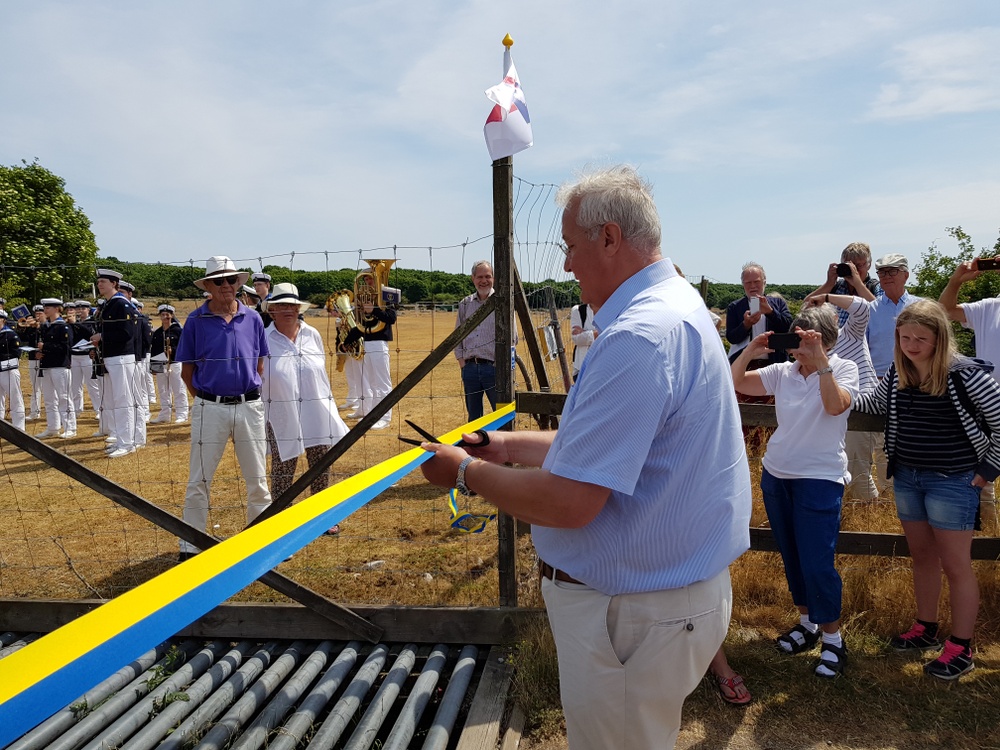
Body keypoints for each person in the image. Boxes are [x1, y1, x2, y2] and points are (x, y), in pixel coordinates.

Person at [420, 165, 752, 750]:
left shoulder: (636, 338)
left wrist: (466, 473)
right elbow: (611, 452)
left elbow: (571, 501)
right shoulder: (678, 305)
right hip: (661, 603)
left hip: (631, 615)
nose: (568, 264)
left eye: (571, 247)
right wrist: (506, 446)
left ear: (608, 238)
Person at [854, 300, 1000, 679]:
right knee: (922, 557)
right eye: (904, 337)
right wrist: (833, 392)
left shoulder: (965, 374)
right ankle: (926, 628)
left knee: (956, 565)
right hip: (907, 477)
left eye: (921, 338)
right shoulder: (898, 372)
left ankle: (961, 647)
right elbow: (871, 403)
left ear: (940, 338)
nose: (911, 345)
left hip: (954, 480)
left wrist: (987, 471)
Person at [732, 304, 859, 678]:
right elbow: (734, 382)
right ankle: (808, 623)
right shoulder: (782, 372)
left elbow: (836, 406)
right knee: (792, 555)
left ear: (824, 340)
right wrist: (749, 353)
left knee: (818, 561)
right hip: (777, 475)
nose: (795, 345)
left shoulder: (843, 369)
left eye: (803, 337)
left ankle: (834, 640)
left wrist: (821, 362)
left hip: (821, 478)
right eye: (794, 336)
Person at [175, 256, 272, 561]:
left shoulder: (253, 318)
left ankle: (261, 541)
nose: (227, 286)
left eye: (231, 280)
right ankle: (190, 546)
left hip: (248, 406)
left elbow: (259, 364)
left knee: (257, 478)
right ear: (208, 286)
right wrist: (205, 400)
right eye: (219, 281)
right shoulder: (195, 321)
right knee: (199, 479)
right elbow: (186, 372)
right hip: (210, 407)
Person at [261, 283, 348, 534]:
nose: (288, 309)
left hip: (316, 409)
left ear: (299, 308)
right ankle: (281, 520)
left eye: (292, 304)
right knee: (283, 467)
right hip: (280, 412)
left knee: (321, 464)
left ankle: (320, 517)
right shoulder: (264, 339)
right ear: (272, 310)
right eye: (282, 305)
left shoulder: (313, 335)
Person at [802, 291, 879, 499]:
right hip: (835, 412)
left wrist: (827, 297)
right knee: (846, 469)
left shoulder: (850, 333)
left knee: (858, 470)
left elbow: (863, 308)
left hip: (861, 410)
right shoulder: (809, 347)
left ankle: (867, 521)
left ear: (835, 320)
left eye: (819, 318)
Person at [940, 256, 1000, 506]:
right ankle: (987, 533)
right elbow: (944, 312)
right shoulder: (990, 307)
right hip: (988, 406)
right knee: (982, 475)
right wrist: (956, 281)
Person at [865, 253, 922, 493]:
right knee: (878, 446)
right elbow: (863, 349)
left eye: (892, 271)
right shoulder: (869, 310)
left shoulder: (921, 307)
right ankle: (886, 504)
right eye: (882, 272)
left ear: (906, 275)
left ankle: (907, 496)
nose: (886, 276)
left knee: (912, 444)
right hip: (879, 385)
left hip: (916, 384)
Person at [91, 269, 138, 457]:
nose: (99, 284)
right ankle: (121, 438)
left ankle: (127, 442)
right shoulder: (110, 304)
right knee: (115, 399)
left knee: (123, 399)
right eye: (99, 281)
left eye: (103, 281)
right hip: (112, 356)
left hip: (121, 357)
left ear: (114, 283)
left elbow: (127, 333)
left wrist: (102, 336)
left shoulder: (120, 304)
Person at [344, 279, 397, 430]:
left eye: (371, 278)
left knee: (382, 383)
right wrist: (347, 341)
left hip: (379, 342)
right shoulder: (363, 297)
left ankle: (385, 418)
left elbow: (391, 318)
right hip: (366, 341)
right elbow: (361, 324)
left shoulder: (388, 294)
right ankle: (373, 416)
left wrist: (373, 310)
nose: (369, 281)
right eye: (366, 279)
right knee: (372, 383)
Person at [454, 260, 498, 420]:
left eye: (488, 276)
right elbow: (457, 336)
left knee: (500, 415)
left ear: (493, 278)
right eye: (480, 277)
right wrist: (462, 362)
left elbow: (512, 338)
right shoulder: (465, 304)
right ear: (473, 278)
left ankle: (502, 445)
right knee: (473, 417)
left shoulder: (502, 302)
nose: (484, 280)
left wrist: (499, 364)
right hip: (470, 368)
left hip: (494, 369)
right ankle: (476, 445)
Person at [725, 262, 792, 365]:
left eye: (757, 282)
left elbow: (788, 328)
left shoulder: (778, 303)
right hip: (745, 365)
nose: (753, 286)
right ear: (743, 284)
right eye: (748, 282)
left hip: (775, 363)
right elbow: (732, 338)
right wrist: (746, 325)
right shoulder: (734, 307)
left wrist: (771, 313)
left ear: (764, 282)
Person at [35, 298, 77, 439]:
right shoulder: (47, 327)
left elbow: (65, 348)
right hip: (47, 365)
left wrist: (45, 347)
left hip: (60, 365)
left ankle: (70, 427)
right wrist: (41, 353)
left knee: (64, 397)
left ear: (57, 309)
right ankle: (53, 427)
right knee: (49, 399)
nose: (45, 310)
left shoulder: (63, 327)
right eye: (45, 307)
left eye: (48, 307)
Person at [150, 304, 188, 424]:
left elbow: (184, 347)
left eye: (167, 315)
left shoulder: (178, 331)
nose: (165, 317)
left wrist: (173, 350)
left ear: (171, 316)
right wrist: (154, 367)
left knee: (178, 389)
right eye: (163, 315)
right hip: (162, 363)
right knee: (163, 390)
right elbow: (154, 351)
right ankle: (165, 414)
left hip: (175, 362)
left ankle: (182, 414)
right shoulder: (157, 333)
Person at [0, 310, 25, 431]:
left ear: (3, 320)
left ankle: (19, 427)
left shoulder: (10, 335)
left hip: (8, 370)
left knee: (15, 399)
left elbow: (16, 354)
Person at [569, 300, 597, 382]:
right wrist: (601, 332)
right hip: (581, 369)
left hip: (603, 368)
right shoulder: (578, 310)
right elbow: (577, 338)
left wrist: (585, 333)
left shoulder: (610, 310)